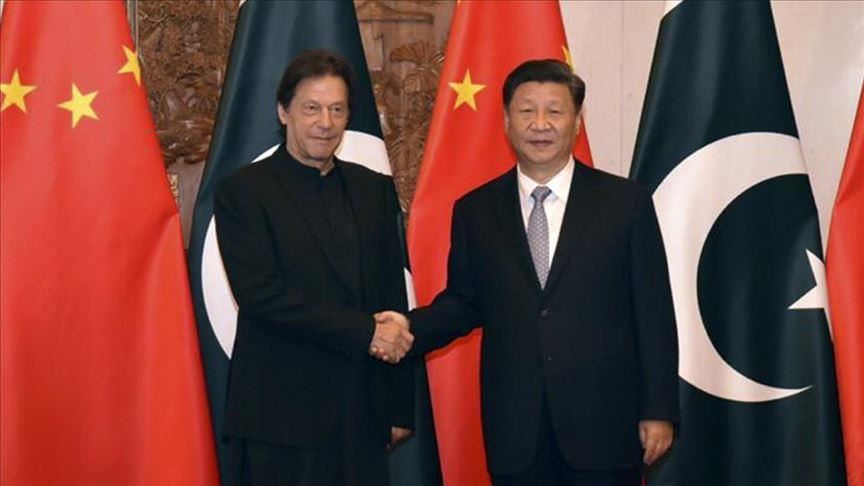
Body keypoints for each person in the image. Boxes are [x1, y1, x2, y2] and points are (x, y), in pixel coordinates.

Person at [375, 59, 679, 486]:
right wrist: (409, 327)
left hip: (605, 423)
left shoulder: (624, 203)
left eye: (554, 111)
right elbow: (463, 302)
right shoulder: (476, 210)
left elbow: (654, 312)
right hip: (516, 430)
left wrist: (659, 408)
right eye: (526, 111)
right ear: (506, 121)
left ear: (576, 121)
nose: (540, 124)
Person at [214, 49, 414, 486]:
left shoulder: (373, 189)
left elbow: (391, 296)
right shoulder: (243, 191)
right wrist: (364, 330)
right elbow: (261, 296)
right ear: (283, 111)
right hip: (280, 417)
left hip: (362, 412)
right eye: (311, 108)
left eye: (337, 109)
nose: (325, 122)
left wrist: (398, 404)